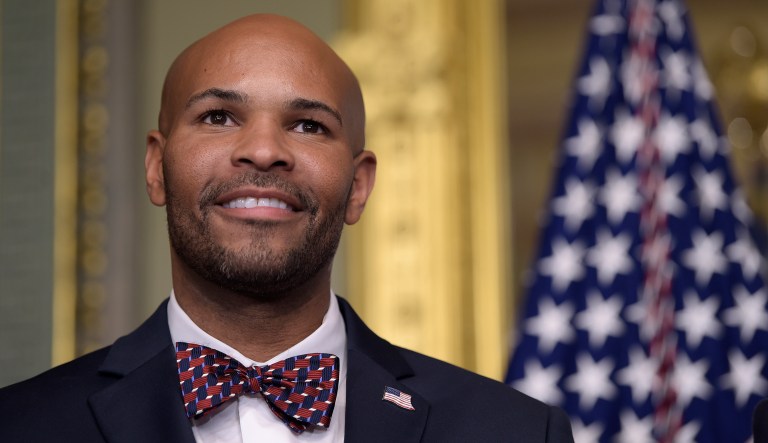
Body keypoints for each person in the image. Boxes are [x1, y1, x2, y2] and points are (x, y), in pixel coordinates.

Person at [0, 14, 573, 442]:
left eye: (308, 125)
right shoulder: (19, 425)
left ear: (358, 186)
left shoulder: (517, 432)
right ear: (156, 168)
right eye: (218, 117)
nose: (263, 150)